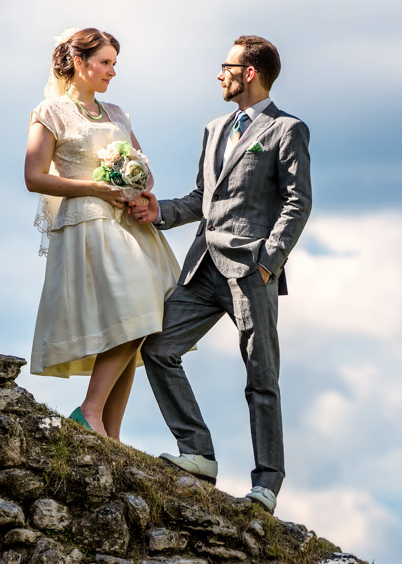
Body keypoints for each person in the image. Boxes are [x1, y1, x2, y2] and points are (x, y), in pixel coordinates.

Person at [128, 35, 312, 514]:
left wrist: (270, 262)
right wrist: (158, 210)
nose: (219, 74)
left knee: (260, 375)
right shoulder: (212, 129)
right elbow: (200, 199)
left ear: (249, 73)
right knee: (158, 346)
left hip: (253, 272)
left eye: (226, 66)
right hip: (203, 266)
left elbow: (298, 203)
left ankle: (266, 484)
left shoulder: (287, 130)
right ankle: (199, 454)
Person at [24, 27, 179, 441]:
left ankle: (110, 433)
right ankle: (89, 410)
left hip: (127, 220)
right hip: (88, 222)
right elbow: (34, 177)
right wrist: (95, 187)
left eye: (114, 63)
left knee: (138, 317)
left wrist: (138, 187)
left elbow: (144, 166)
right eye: (105, 62)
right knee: (137, 308)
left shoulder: (117, 114)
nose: (112, 71)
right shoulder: (50, 112)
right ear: (79, 62)